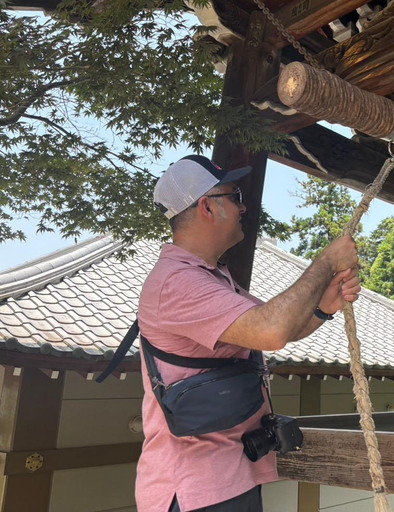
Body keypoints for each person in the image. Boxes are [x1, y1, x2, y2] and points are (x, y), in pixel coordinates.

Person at [136, 155, 360, 512]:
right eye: (235, 195)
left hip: (227, 477)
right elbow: (271, 330)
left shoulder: (210, 277)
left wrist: (323, 308)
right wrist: (326, 263)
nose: (243, 206)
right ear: (207, 207)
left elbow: (271, 327)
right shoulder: (178, 283)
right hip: (197, 487)